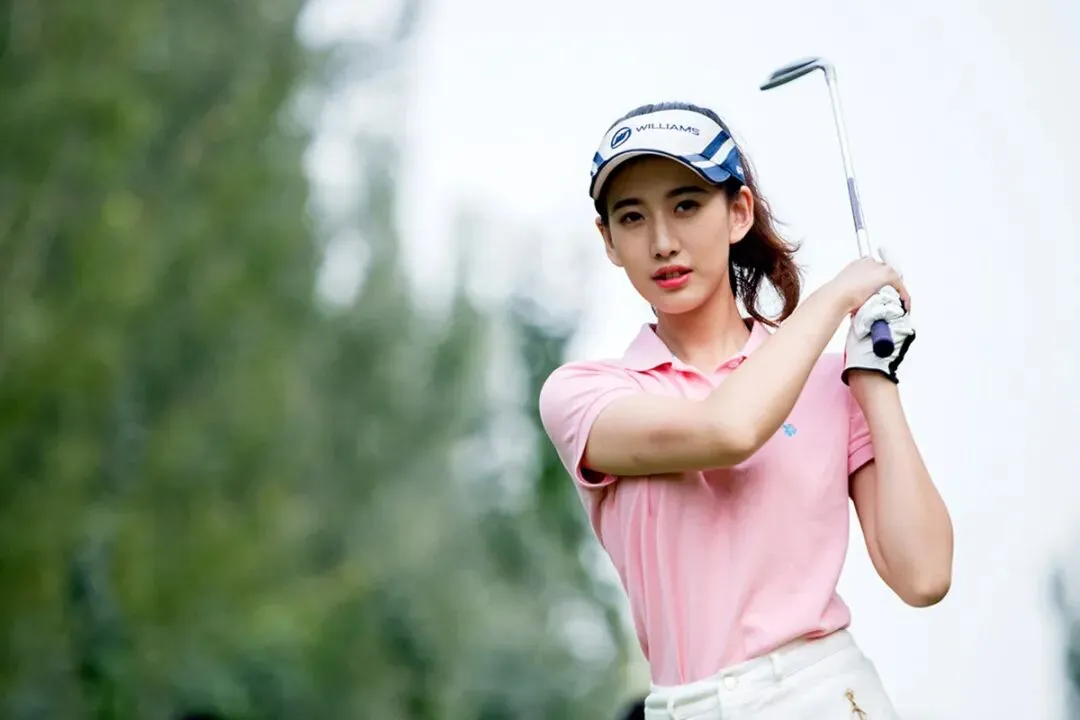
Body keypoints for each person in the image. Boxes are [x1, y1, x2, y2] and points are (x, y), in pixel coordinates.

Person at [538, 102, 954, 719]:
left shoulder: (827, 382)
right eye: (632, 216)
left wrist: (872, 378)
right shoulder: (585, 395)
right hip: (686, 705)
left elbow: (923, 576)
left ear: (738, 212)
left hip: (826, 694)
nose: (662, 242)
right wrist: (835, 297)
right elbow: (728, 430)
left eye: (686, 205)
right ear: (609, 241)